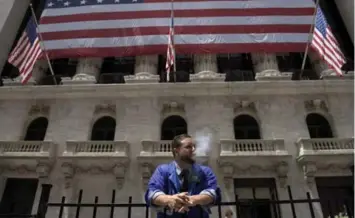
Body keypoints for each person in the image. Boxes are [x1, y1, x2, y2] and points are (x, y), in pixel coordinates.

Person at [145, 134, 221, 218]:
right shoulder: (162, 171)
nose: (193, 150)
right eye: (188, 147)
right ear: (176, 150)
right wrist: (169, 199)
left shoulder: (205, 171)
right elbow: (152, 193)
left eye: (194, 146)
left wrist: (193, 200)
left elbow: (212, 193)